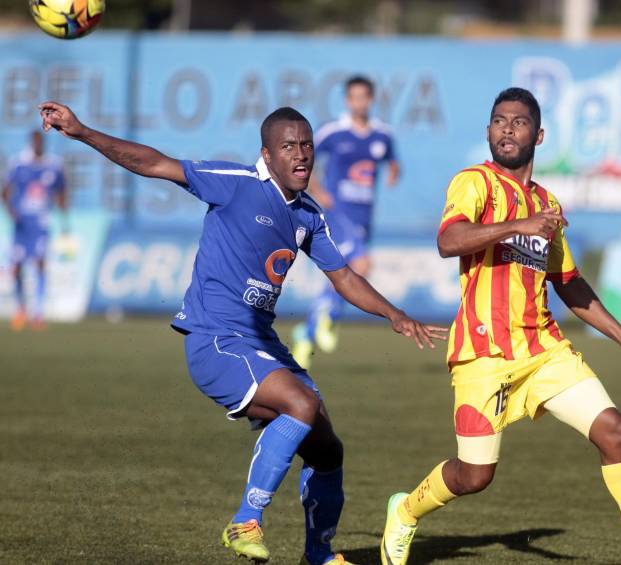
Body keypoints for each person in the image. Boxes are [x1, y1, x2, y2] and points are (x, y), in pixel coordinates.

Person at [38, 101, 446, 565]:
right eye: (288, 146)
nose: (301, 155)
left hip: (260, 342)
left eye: (307, 145)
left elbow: (344, 278)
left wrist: (395, 315)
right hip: (215, 339)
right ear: (266, 155)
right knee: (301, 404)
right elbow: (153, 163)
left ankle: (319, 555)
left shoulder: (308, 214)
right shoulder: (235, 185)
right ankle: (245, 520)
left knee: (327, 448)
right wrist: (84, 131)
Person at [380, 88, 621, 565]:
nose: (507, 128)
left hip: (544, 351)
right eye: (499, 120)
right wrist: (517, 226)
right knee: (474, 476)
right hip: (482, 354)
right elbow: (448, 240)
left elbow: (570, 284)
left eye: (518, 122)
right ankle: (406, 511)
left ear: (537, 135)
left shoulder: (548, 205)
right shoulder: (474, 183)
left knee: (616, 432)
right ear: (487, 130)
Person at [292, 75, 400, 369]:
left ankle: (309, 331)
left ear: (371, 100)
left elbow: (392, 161)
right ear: (347, 101)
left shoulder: (382, 135)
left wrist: (392, 173)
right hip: (337, 212)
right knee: (361, 266)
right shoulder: (334, 133)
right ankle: (329, 318)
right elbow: (303, 158)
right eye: (354, 97)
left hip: (364, 216)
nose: (359, 102)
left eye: (364, 97)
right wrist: (317, 189)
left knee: (348, 272)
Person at [2, 130, 67, 331]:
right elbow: (5, 190)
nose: (38, 145)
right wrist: (11, 212)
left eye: (41, 142)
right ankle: (21, 308)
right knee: (16, 267)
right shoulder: (19, 163)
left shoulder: (53, 165)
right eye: (36, 142)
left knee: (39, 263)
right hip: (22, 224)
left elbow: (61, 190)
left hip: (41, 223)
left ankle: (38, 313)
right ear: (31, 143)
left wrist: (64, 213)